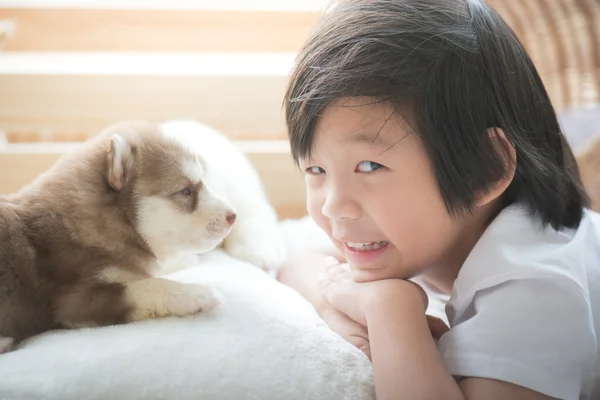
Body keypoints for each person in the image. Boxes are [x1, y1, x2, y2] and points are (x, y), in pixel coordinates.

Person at [276, 0, 600, 399]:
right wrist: (333, 302)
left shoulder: (535, 287)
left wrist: (392, 312)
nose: (333, 206)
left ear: (485, 168)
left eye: (370, 166)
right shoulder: (424, 232)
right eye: (315, 170)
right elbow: (293, 261)